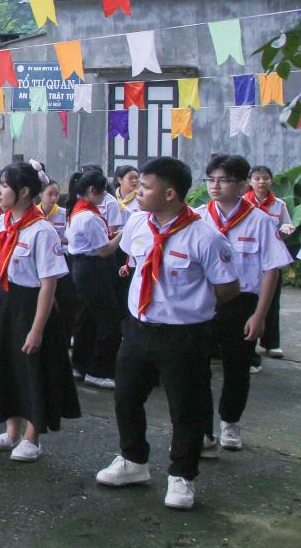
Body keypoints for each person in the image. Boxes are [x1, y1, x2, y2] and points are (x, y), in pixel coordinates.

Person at [95, 156, 239, 511]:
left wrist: (191, 308)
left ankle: (182, 475)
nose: (138, 192)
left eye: (146, 187)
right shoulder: (137, 223)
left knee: (185, 408)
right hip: (138, 328)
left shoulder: (205, 237)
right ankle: (133, 461)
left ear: (170, 193)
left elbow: (228, 288)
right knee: (127, 397)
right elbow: (133, 263)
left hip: (183, 335)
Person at [0, 163, 80, 462]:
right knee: (6, 366)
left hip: (32, 306)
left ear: (23, 192)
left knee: (33, 370)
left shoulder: (42, 231)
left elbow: (48, 284)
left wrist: (37, 329)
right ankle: (11, 432)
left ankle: (32, 438)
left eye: (4, 185)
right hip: (4, 303)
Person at [197, 155, 292, 453]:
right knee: (196, 366)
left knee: (237, 366)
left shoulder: (260, 221)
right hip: (203, 301)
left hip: (242, 303)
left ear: (241, 185)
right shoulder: (198, 218)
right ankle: (202, 428)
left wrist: (260, 315)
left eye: (223, 180)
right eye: (211, 180)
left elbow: (271, 269)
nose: (215, 186)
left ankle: (230, 423)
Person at [65, 169, 125, 389]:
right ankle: (99, 370)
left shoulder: (78, 209)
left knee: (88, 318)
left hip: (82, 267)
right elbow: (103, 250)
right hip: (92, 269)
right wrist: (123, 234)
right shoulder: (89, 217)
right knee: (109, 321)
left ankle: (80, 365)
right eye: (103, 192)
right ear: (92, 190)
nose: (105, 197)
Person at [246, 165, 295, 360]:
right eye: (257, 178)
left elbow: (287, 223)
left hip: (271, 257)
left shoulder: (279, 204)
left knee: (272, 301)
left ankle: (271, 343)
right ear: (249, 182)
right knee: (249, 302)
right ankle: (248, 347)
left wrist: (286, 229)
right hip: (249, 258)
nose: (261, 182)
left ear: (271, 180)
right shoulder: (243, 203)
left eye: (265, 178)